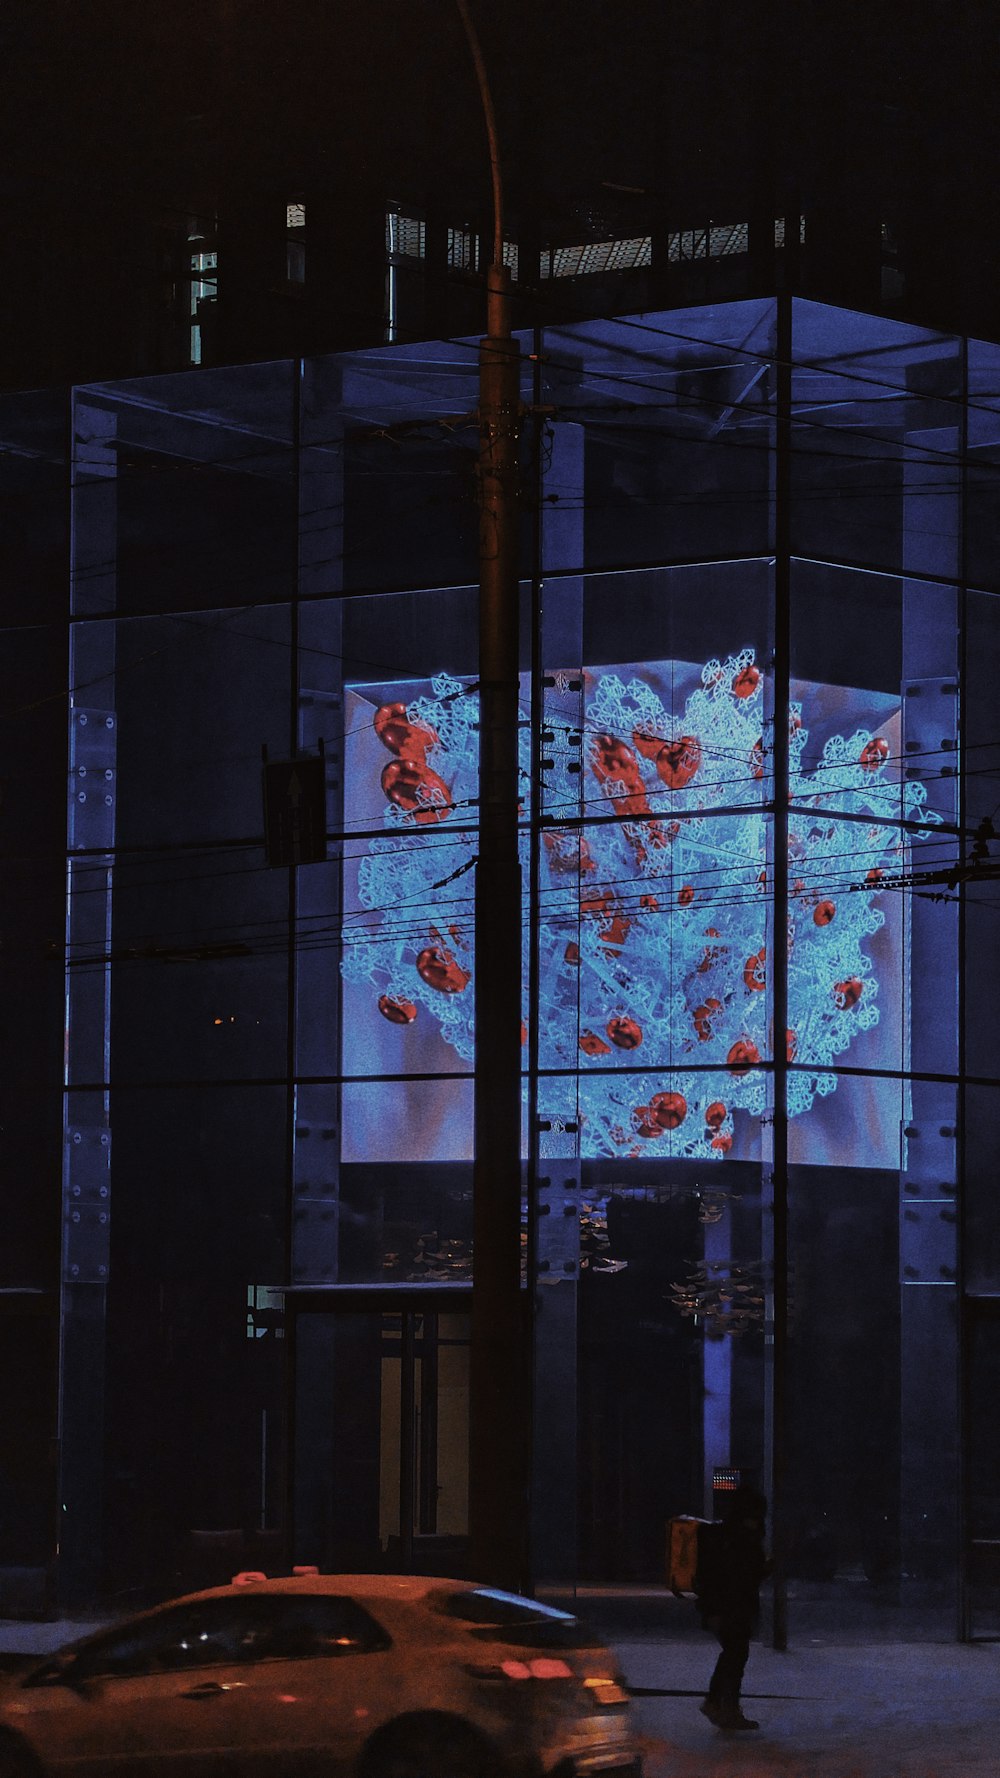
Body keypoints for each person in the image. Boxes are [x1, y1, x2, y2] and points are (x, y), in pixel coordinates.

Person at [698, 1484, 771, 1732]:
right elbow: (747, 1574)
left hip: (726, 1607)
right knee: (735, 1656)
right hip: (733, 1607)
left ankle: (719, 1704)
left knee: (733, 1654)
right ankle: (723, 1706)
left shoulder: (726, 1536)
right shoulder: (740, 1539)